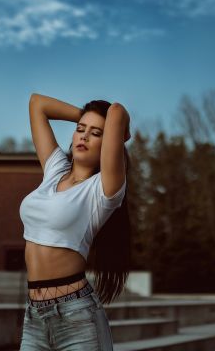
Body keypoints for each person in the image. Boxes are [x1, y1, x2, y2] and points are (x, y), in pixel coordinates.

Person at [18, 93, 132, 350]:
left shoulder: (103, 190)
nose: (83, 136)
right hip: (34, 317)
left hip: (76, 315)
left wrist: (122, 130)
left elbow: (116, 110)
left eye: (96, 133)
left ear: (109, 143)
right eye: (80, 130)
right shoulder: (55, 169)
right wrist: (83, 116)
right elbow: (38, 103)